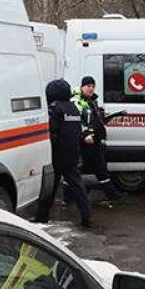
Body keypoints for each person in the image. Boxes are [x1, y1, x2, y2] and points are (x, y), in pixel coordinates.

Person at [34, 79, 92, 226]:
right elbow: (78, 132)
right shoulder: (73, 108)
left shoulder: (54, 109)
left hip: (56, 155)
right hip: (72, 154)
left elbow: (52, 133)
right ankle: (86, 216)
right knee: (78, 187)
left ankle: (41, 217)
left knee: (49, 189)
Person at [73, 76, 125, 201]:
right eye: (88, 86)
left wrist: (116, 115)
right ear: (82, 87)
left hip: (94, 142)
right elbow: (77, 121)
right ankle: (69, 197)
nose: (91, 88)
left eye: (92, 86)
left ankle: (112, 195)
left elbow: (97, 121)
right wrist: (85, 135)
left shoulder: (91, 101)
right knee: (76, 170)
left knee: (99, 169)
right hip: (85, 143)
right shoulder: (77, 101)